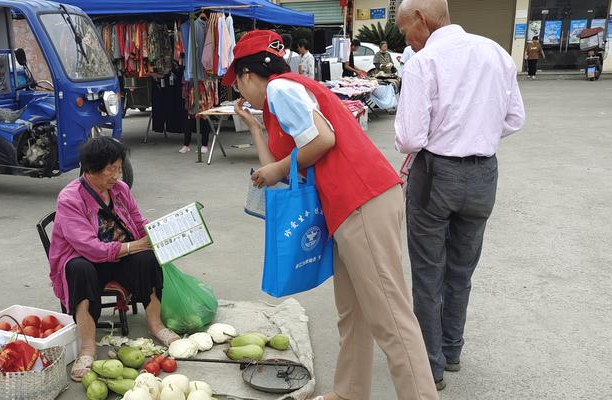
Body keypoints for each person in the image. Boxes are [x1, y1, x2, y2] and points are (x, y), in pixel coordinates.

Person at [225, 30, 438, 400]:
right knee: (353, 313)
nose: (239, 93)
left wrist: (279, 168)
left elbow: (323, 140)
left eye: (237, 84)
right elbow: (272, 170)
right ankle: (348, 393)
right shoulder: (282, 98)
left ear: (246, 75)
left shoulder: (280, 90)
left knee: (390, 317)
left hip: (361, 200)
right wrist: (256, 130)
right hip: (350, 206)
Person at [395, 0, 525, 391]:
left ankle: (430, 366)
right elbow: (515, 118)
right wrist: (476, 134)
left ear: (421, 18)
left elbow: (410, 138)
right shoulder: (496, 52)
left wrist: (449, 138)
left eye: (405, 31)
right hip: (484, 173)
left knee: (427, 272)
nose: (408, 40)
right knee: (461, 271)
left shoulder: (424, 61)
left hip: (436, 174)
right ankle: (451, 351)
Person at [48, 137, 180, 381]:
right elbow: (91, 248)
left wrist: (159, 230)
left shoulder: (121, 190)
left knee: (147, 259)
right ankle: (87, 348)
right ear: (90, 169)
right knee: (79, 269)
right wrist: (135, 245)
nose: (117, 175)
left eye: (119, 168)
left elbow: (138, 223)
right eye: (111, 169)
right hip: (87, 260)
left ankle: (156, 326)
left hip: (119, 255)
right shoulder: (70, 199)